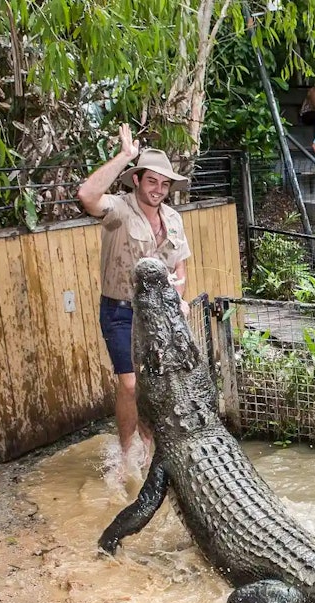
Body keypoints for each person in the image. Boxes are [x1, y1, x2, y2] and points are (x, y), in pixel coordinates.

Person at [76, 124, 191, 468]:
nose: (158, 189)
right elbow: (87, 195)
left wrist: (179, 298)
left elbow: (180, 272)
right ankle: (127, 455)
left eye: (164, 183)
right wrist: (125, 156)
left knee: (153, 386)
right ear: (137, 180)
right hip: (121, 310)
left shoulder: (173, 218)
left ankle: (149, 447)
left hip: (159, 314)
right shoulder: (118, 210)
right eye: (152, 181)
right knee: (129, 385)